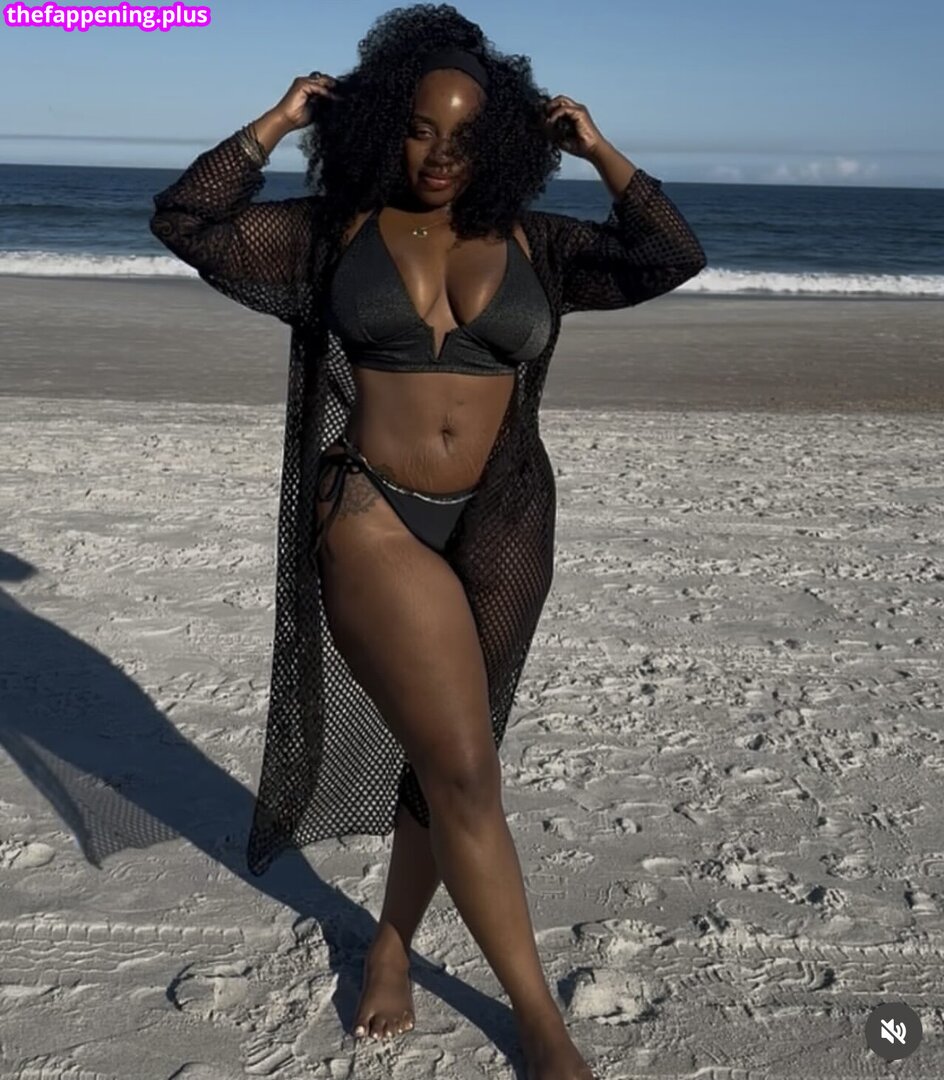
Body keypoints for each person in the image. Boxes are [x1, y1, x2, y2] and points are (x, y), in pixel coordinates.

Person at [149, 4, 706, 1076]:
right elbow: (190, 220)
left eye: (465, 134)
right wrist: (278, 119)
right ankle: (539, 1022)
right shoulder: (333, 232)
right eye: (417, 129)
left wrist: (596, 147)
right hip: (372, 512)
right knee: (463, 770)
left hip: (503, 519)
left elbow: (669, 254)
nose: (441, 155)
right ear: (378, 128)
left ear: (500, 142)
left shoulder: (538, 242)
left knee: (456, 759)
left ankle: (392, 945)